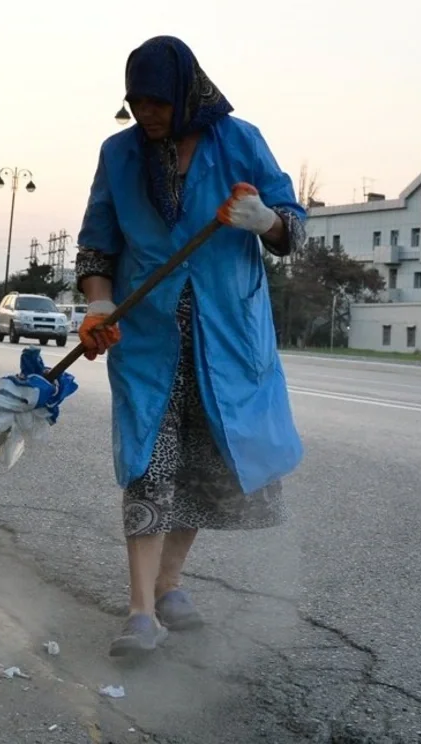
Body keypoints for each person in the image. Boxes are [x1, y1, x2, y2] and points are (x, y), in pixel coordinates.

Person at [75, 35, 307, 657]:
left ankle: (172, 583)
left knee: (205, 465)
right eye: (135, 102)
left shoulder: (240, 141)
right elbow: (98, 245)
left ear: (184, 94)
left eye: (156, 101)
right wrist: (99, 304)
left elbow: (293, 225)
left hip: (226, 335)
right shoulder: (118, 154)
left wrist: (266, 219)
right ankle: (141, 611)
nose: (145, 113)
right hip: (147, 337)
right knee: (150, 464)